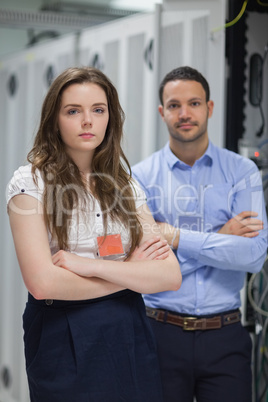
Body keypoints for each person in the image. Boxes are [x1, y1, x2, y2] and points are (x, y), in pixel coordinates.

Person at [6, 66, 182, 402]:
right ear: (54, 120)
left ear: (110, 118)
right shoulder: (29, 183)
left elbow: (170, 275)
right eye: (73, 111)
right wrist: (132, 271)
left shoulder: (125, 185)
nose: (88, 121)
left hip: (129, 330)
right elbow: (43, 284)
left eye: (98, 110)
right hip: (64, 333)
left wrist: (92, 265)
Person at [132, 66, 268, 402]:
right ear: (163, 113)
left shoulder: (241, 171)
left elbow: (253, 256)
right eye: (174, 105)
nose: (184, 113)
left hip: (225, 338)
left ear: (209, 107)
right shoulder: (139, 178)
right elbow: (141, 269)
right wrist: (223, 236)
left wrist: (175, 238)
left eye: (194, 103)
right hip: (159, 333)